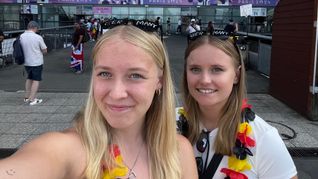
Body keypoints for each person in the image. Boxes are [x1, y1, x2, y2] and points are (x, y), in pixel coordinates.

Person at [0, 24, 198, 179]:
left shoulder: (179, 151)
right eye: (105, 73)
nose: (117, 93)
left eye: (135, 75)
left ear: (159, 82)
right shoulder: (71, 149)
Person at [176, 35, 298, 179]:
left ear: (236, 75)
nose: (205, 80)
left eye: (217, 69)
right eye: (195, 69)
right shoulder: (167, 122)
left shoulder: (264, 138)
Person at [20, 21, 47, 106]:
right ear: (35, 28)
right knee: (36, 80)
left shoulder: (21, 36)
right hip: (36, 62)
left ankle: (27, 97)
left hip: (26, 62)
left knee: (29, 78)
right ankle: (32, 99)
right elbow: (44, 50)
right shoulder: (37, 37)